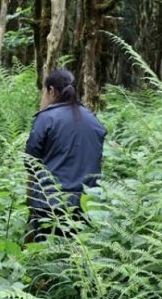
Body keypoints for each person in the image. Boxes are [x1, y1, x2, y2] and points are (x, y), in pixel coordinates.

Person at [25, 69, 106, 241]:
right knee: (75, 259)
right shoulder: (93, 120)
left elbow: (30, 160)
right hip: (86, 203)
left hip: (49, 202)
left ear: (52, 91)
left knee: (45, 260)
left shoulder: (46, 119)